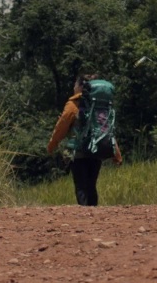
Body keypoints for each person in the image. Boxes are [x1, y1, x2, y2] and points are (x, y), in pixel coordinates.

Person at [47, 74, 122, 206]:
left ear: (81, 86)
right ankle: (95, 216)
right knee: (91, 185)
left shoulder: (73, 104)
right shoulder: (101, 107)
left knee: (81, 186)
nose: (73, 87)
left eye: (75, 84)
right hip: (97, 150)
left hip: (79, 152)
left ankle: (86, 218)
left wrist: (52, 145)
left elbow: (61, 127)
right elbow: (107, 129)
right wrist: (117, 154)